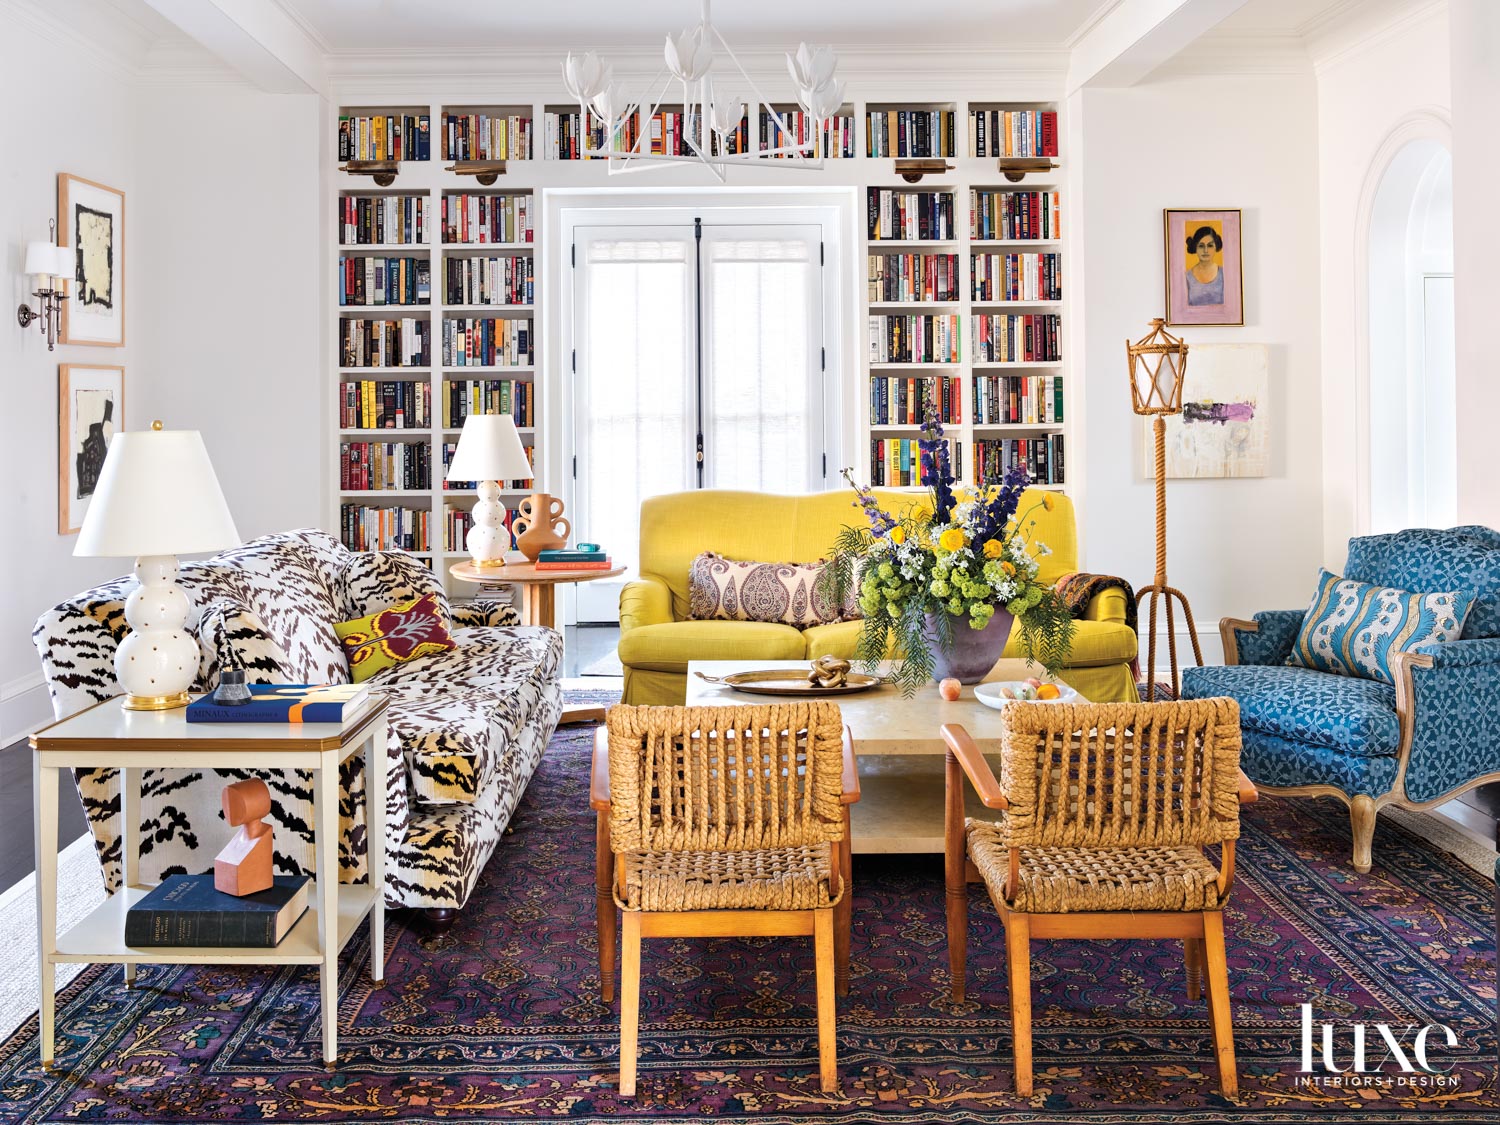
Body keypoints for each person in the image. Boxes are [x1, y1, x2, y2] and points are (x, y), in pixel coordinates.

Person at [1184, 224, 1224, 307]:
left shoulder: (1224, 274)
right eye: (1201, 246)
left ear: (1216, 247)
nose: (1205, 250)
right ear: (1195, 247)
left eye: (1210, 245)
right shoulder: (1186, 277)